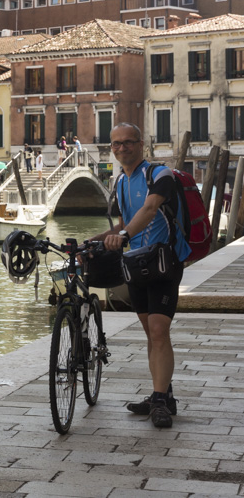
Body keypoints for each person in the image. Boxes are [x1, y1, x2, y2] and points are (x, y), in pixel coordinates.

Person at [92, 122, 190, 429]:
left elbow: (149, 209)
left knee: (159, 330)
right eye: (116, 144)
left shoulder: (160, 175)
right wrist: (93, 241)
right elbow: (125, 223)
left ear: (141, 144)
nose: (122, 148)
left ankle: (159, 401)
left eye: (128, 142)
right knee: (151, 332)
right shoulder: (120, 182)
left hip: (164, 262)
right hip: (136, 265)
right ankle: (164, 393)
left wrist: (122, 234)